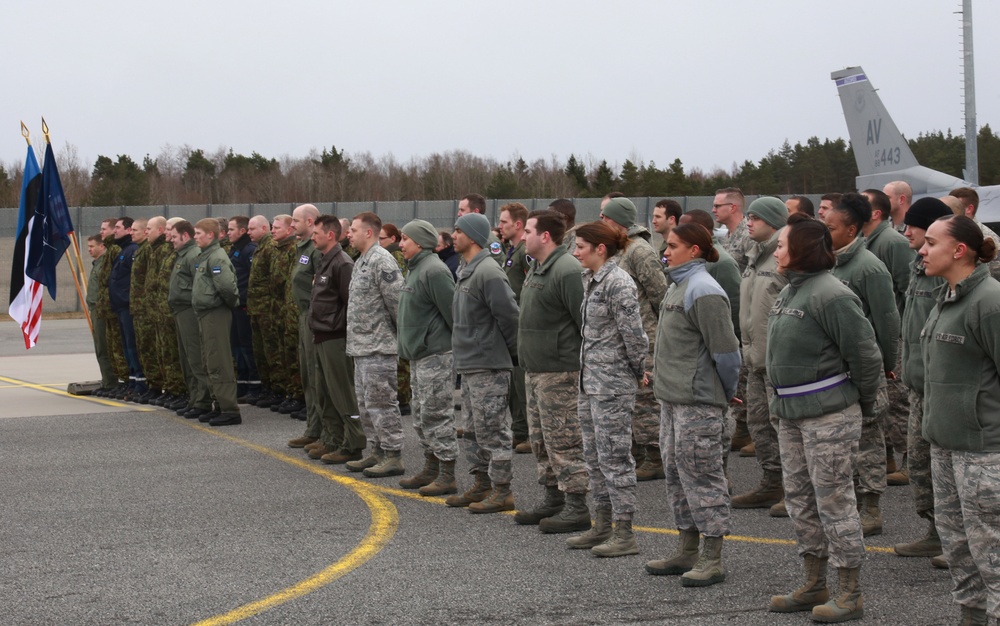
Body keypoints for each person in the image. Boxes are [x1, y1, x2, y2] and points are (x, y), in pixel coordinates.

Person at [766, 213, 883, 622]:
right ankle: (814, 582)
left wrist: (866, 405)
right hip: (792, 416)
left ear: (802, 250)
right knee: (801, 501)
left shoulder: (832, 294)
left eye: (782, 244)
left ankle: (849, 592)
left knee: (834, 502)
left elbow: (865, 355)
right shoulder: (790, 291)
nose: (776, 250)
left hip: (828, 417)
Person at [645, 222, 740, 586]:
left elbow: (727, 353)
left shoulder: (704, 290)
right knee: (676, 474)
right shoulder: (679, 285)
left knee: (702, 475)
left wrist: (725, 392)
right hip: (673, 399)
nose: (665, 252)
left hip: (698, 402)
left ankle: (712, 556)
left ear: (695, 250)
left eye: (672, 245)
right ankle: (686, 547)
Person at [919, 215, 1000, 625]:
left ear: (960, 250)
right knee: (959, 549)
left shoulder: (990, 301)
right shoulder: (947, 297)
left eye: (931, 242)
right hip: (946, 447)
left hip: (983, 454)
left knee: (993, 557)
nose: (922, 248)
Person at [567, 221, 647, 557]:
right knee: (594, 456)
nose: (575, 252)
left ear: (601, 249)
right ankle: (601, 524)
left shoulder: (618, 283)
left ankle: (624, 531)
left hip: (612, 385)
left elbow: (635, 337)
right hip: (591, 383)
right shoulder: (590, 279)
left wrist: (635, 371)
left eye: (581, 247)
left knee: (615, 458)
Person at [825, 192, 900, 537]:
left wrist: (885, 365)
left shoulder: (869, 267)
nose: (826, 233)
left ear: (851, 229)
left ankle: (871, 507)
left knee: (869, 440)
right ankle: (851, 502)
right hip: (837, 370)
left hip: (865, 369)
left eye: (832, 227)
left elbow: (887, 321)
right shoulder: (829, 263)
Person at [513, 210, 589, 534]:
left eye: (528, 230)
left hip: (560, 372)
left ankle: (577, 506)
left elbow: (585, 322)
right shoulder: (537, 268)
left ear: (545, 236)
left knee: (565, 439)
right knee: (541, 439)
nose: (522, 236)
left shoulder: (567, 269)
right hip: (536, 370)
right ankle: (553, 498)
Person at [445, 212, 520, 514]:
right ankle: (482, 483)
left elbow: (510, 316)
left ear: (473, 236)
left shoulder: (488, 271)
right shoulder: (467, 268)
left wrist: (512, 355)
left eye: (458, 230)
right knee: (474, 430)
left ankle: (503, 490)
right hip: (471, 363)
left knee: (494, 430)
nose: (453, 235)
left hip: (489, 364)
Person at [892, 198, 953, 561]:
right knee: (920, 463)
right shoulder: (918, 267)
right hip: (917, 384)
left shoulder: (946, 274)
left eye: (915, 227)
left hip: (941, 387)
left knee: (947, 467)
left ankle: (956, 537)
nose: (906, 231)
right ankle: (936, 530)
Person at [599, 197, 668, 482]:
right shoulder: (620, 250)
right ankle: (638, 452)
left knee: (646, 399)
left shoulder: (640, 251)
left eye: (605, 217)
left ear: (617, 221)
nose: (601, 221)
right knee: (631, 399)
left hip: (646, 337)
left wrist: (652, 333)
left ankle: (655, 456)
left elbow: (661, 296)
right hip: (622, 338)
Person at [730, 198, 788, 511]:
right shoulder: (755, 255)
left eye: (755, 217)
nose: (748, 222)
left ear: (774, 221)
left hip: (777, 360)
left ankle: (795, 489)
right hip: (754, 358)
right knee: (759, 423)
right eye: (748, 216)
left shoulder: (784, 255)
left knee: (784, 426)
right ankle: (771, 483)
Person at [395, 219, 459, 496]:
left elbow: (453, 314)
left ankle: (447, 474)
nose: (400, 244)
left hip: (435, 354)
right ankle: (431, 467)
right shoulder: (415, 268)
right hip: (419, 355)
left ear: (419, 242)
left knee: (437, 414)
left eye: (405, 239)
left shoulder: (434, 270)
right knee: (421, 415)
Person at [345, 212, 405, 478]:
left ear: (369, 232)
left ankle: (393, 454)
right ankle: (377, 451)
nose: (349, 233)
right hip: (361, 346)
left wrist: (396, 339)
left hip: (379, 347)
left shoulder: (382, 260)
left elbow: (397, 304)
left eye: (354, 230)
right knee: (366, 405)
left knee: (382, 404)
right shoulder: (361, 261)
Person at [862, 189, 916, 485]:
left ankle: (910, 459)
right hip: (876, 333)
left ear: (875, 213)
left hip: (894, 335)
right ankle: (889, 458)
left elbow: (910, 291)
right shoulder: (868, 241)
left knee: (897, 402)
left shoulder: (892, 242)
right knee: (882, 403)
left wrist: (903, 336)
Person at [306, 215, 368, 464]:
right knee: (325, 391)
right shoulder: (324, 260)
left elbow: (350, 304)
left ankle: (353, 443)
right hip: (321, 334)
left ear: (330, 235)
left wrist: (337, 327)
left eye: (316, 233)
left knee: (342, 392)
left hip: (335, 337)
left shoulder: (342, 263)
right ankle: (333, 438)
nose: (312, 237)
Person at [191, 218, 242, 426]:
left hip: (216, 313)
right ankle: (219, 404)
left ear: (210, 235)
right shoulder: (207, 256)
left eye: (198, 233)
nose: (195, 237)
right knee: (210, 360)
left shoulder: (217, 257)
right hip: (206, 313)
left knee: (219, 360)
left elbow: (228, 288)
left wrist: (228, 305)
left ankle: (230, 409)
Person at [168, 220, 213, 420]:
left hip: (189, 310)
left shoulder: (193, 255)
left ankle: (203, 400)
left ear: (185, 236)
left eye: (175, 237)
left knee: (195, 358)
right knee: (186, 359)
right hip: (180, 310)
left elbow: (199, 283)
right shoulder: (182, 255)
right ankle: (194, 398)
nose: (172, 241)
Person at [498, 202, 531, 454]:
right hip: (511, 328)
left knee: (522, 384)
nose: (500, 226)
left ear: (518, 225)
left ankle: (529, 432)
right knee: (514, 385)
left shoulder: (524, 253)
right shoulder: (512, 251)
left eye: (504, 222)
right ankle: (520, 430)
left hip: (523, 326)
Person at [109, 217, 147, 399]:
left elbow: (136, 279)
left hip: (128, 306)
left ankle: (140, 382)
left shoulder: (133, 250)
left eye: (118, 227)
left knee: (133, 346)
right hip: (121, 306)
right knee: (126, 347)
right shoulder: (125, 249)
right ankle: (132, 381)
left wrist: (126, 299)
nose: (114, 231)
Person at [226, 216, 258, 403]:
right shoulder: (235, 249)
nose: (229, 233)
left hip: (244, 305)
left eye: (232, 230)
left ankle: (254, 384)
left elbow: (251, 279)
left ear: (242, 231)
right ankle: (243, 382)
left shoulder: (249, 250)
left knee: (247, 347)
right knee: (237, 346)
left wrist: (244, 298)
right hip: (235, 306)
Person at [949, 186, 1000, 280]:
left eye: (956, 206)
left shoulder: (987, 238)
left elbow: (995, 275)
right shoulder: (954, 234)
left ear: (969, 209)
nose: (949, 212)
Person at [86, 234, 115, 393]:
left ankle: (110, 382)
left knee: (103, 347)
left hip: (101, 309)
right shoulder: (97, 264)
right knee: (99, 347)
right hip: (94, 308)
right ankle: (107, 380)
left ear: (102, 246)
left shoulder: (105, 265)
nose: (89, 250)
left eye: (92, 246)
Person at [712, 187, 752, 273]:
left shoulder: (749, 236)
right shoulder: (727, 235)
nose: (713, 210)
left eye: (717, 206)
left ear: (732, 208)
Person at [457, 193, 504, 263]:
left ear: (476, 211)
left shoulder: (490, 241)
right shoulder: (468, 236)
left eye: (462, 210)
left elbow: (492, 270)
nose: (458, 214)